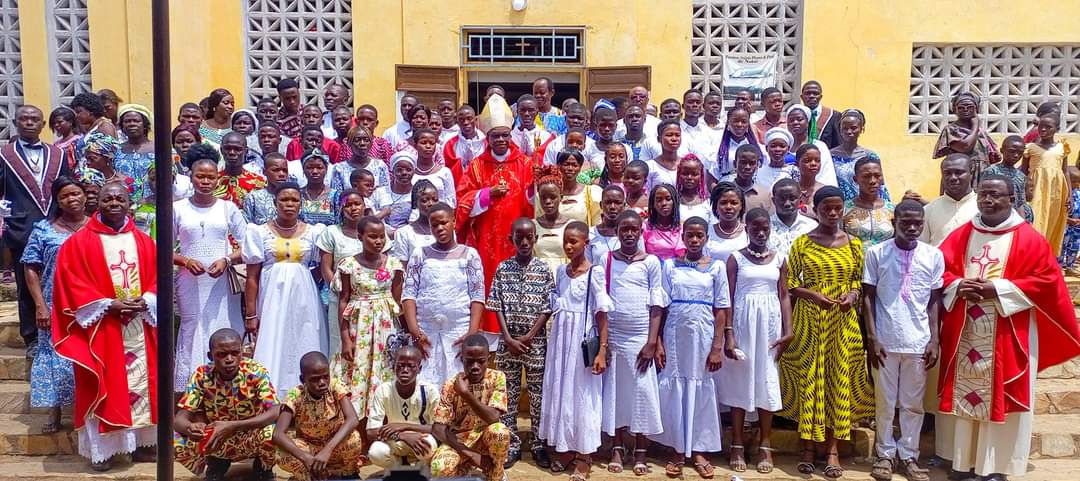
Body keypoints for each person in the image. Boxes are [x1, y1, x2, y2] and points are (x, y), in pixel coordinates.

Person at [936, 175, 1080, 480]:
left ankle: (996, 467)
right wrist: (960, 285)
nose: (988, 200)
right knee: (966, 393)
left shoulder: (1029, 238)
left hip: (1007, 329)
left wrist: (998, 290)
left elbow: (1047, 282)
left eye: (996, 195)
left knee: (1003, 394)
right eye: (984, 194)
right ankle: (963, 463)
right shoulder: (962, 234)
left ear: (1011, 199)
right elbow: (941, 271)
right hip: (967, 328)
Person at [51, 181, 158, 471]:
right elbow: (69, 282)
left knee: (144, 384)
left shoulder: (144, 241)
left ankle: (143, 446)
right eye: (107, 198)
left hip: (138, 323)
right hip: (102, 328)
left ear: (128, 203)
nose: (114, 203)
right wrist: (108, 304)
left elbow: (158, 278)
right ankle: (106, 451)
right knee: (104, 383)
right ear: (96, 203)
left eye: (119, 199)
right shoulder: (79, 242)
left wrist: (147, 299)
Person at [780, 186, 874, 479]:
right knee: (812, 381)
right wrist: (813, 296)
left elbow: (860, 283)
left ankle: (832, 449)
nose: (833, 214)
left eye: (837, 209)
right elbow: (791, 283)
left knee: (838, 382)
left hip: (843, 325)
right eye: (826, 209)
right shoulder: (803, 244)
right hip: (811, 321)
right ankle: (808, 448)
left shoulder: (855, 245)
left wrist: (851, 297)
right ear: (815, 209)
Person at [863, 201, 943, 481]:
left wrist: (934, 339)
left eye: (917, 223)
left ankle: (909, 455)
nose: (912, 228)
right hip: (885, 340)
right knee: (885, 403)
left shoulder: (933, 256)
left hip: (918, 341)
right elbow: (868, 297)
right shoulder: (876, 254)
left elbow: (934, 300)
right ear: (894, 221)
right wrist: (872, 337)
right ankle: (884, 456)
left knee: (912, 404)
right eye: (905, 222)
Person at [652, 216, 729, 478]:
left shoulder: (716, 268)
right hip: (675, 334)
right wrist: (658, 341)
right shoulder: (670, 266)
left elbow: (721, 310)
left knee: (700, 387)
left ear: (706, 238)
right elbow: (660, 306)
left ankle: (698, 450)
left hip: (703, 335)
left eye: (700, 236)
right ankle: (676, 448)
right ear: (683, 237)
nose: (695, 240)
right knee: (676, 387)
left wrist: (717, 346)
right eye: (690, 235)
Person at [718, 208, 792, 474]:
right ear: (746, 228)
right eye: (755, 228)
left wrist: (788, 330)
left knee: (766, 381)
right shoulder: (736, 259)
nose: (761, 233)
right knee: (741, 380)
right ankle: (737, 443)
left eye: (765, 229)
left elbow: (784, 295)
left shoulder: (780, 259)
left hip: (770, 326)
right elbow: (727, 297)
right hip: (742, 323)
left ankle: (765, 444)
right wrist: (729, 332)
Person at [456, 94, 535, 343]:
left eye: (504, 135)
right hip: (487, 244)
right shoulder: (478, 166)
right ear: (487, 138)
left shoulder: (525, 163)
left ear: (511, 135)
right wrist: (486, 194)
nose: (500, 140)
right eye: (495, 136)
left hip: (518, 243)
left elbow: (535, 200)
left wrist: (536, 190)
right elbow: (463, 201)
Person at [539, 220, 611, 479]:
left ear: (585, 243)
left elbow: (602, 315)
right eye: (566, 241)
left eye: (574, 241)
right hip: (561, 340)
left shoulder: (595, 273)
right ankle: (566, 447)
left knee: (582, 395)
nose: (568, 246)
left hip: (582, 342)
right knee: (562, 391)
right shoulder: (560, 272)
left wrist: (602, 350)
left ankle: (584, 456)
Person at [243, 183, 328, 397]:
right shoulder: (259, 232)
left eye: (294, 200)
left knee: (304, 337)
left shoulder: (314, 232)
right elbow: (252, 277)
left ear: (301, 204)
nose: (289, 204)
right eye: (284, 200)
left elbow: (320, 267)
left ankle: (304, 397)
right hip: (272, 297)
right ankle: (271, 399)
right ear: (275, 203)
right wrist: (251, 314)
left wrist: (302, 280)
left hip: (304, 299)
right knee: (273, 340)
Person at [485, 218, 556, 468]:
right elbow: (496, 305)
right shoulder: (503, 268)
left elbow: (548, 307)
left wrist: (528, 336)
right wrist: (507, 337)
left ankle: (538, 444)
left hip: (534, 344)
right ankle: (512, 444)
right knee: (509, 395)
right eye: (519, 238)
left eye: (529, 237)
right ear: (511, 240)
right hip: (508, 344)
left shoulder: (544, 269)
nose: (524, 242)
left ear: (535, 238)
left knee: (538, 396)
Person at [1, 105, 72, 352]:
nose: (29, 123)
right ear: (16, 122)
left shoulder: (58, 154)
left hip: (56, 226)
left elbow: (66, 185)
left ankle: (64, 330)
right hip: (21, 227)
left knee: (60, 280)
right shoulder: (5, 154)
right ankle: (31, 337)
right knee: (26, 283)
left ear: (43, 124)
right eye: (24, 119)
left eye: (35, 119)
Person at [172, 156, 246, 392]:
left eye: (210, 177)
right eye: (200, 176)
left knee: (223, 325)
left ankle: (228, 388)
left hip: (221, 283)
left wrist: (226, 260)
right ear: (191, 178)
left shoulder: (227, 208)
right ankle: (191, 390)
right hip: (189, 281)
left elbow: (247, 246)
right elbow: (158, 245)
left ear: (218, 179)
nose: (205, 181)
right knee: (192, 328)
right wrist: (183, 260)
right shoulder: (177, 208)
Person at [331, 216, 403, 443]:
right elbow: (343, 300)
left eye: (381, 236)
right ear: (360, 237)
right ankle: (359, 437)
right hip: (358, 328)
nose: (378, 241)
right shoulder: (348, 265)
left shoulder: (394, 265)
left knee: (384, 376)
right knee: (358, 378)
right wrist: (345, 338)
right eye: (372, 236)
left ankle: (384, 435)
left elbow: (398, 301)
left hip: (385, 330)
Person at [602, 211, 664, 476]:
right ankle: (617, 446)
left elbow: (657, 303)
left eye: (633, 229)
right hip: (615, 333)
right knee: (616, 391)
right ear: (617, 232)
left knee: (642, 392)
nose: (628, 234)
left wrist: (652, 341)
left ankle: (640, 449)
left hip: (640, 336)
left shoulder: (650, 262)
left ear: (641, 231)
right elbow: (602, 302)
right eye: (623, 229)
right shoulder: (607, 260)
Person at [173, 329, 278, 481]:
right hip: (217, 438)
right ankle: (216, 462)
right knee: (177, 439)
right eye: (222, 354)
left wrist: (233, 426)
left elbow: (275, 411)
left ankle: (263, 467)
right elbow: (179, 420)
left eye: (235, 353)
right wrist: (192, 428)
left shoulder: (256, 372)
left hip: (250, 435)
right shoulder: (202, 375)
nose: (229, 359)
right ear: (211, 356)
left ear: (242, 353)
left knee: (273, 432)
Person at [22, 177, 83, 434]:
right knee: (53, 353)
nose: (72, 199)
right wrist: (39, 305)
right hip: (53, 302)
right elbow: (31, 268)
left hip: (89, 304)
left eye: (76, 193)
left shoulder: (97, 227)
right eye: (65, 196)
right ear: (57, 201)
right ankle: (54, 409)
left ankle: (86, 409)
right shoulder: (43, 229)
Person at [403, 203, 486, 387]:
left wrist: (471, 332)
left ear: (454, 221)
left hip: (459, 332)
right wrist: (415, 332)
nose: (439, 228)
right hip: (425, 333)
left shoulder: (469, 255)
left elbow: (477, 295)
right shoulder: (420, 254)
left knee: (457, 384)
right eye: (434, 225)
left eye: (444, 223)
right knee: (425, 385)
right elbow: (409, 294)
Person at [428, 334, 511, 481]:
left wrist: (466, 394)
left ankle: (496, 474)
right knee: (438, 469)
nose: (475, 367)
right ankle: (465, 468)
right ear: (462, 359)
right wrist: (471, 455)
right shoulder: (451, 385)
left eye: (481, 362)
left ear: (489, 359)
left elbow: (493, 417)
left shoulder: (497, 378)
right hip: (459, 441)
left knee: (500, 432)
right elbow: (438, 429)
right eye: (470, 362)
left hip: (486, 438)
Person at [274, 352, 365, 481]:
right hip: (309, 449)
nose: (322, 382)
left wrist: (327, 449)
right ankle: (313, 476)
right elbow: (278, 434)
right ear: (302, 379)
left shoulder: (335, 387)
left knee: (354, 439)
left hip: (334, 445)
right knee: (281, 454)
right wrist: (304, 457)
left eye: (325, 377)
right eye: (315, 379)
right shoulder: (295, 396)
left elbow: (352, 419)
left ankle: (345, 474)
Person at [367, 345, 440, 469]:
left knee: (428, 445)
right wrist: (403, 435)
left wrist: (405, 426)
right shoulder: (383, 390)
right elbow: (371, 432)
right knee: (376, 452)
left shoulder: (429, 391)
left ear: (419, 369)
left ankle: (420, 466)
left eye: (411, 366)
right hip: (395, 440)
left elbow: (438, 430)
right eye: (400, 365)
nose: (405, 370)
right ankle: (398, 466)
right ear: (393, 366)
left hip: (420, 439)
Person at [1025, 112, 1070, 256]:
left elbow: (1066, 171)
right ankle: (1032, 254)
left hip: (1057, 191)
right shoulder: (1030, 147)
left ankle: (1046, 257)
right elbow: (1024, 171)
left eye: (1048, 127)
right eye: (1040, 126)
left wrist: (1069, 194)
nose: (1043, 129)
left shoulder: (1062, 147)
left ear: (1056, 129)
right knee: (1036, 220)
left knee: (1053, 221)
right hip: (1036, 189)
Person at [932, 92, 1000, 183]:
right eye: (961, 107)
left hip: (982, 176)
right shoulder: (951, 129)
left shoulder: (981, 132)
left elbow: (988, 156)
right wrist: (975, 125)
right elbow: (966, 146)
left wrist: (993, 157)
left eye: (970, 107)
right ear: (954, 110)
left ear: (976, 108)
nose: (965, 110)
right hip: (960, 176)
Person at [919, 153, 978, 246]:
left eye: (959, 172)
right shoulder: (928, 210)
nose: (953, 177)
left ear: (971, 173)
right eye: (947, 173)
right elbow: (923, 248)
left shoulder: (982, 208)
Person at [832, 109, 890, 202]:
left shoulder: (870, 156)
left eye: (853, 128)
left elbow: (880, 185)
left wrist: (885, 206)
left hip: (866, 205)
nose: (849, 131)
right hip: (838, 206)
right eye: (845, 128)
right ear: (840, 129)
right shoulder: (830, 156)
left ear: (862, 129)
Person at [843, 158, 895, 251]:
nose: (872, 181)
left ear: (882, 178)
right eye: (866, 176)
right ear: (856, 179)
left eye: (877, 176)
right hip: (855, 263)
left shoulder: (892, 209)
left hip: (884, 263)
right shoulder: (844, 209)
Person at [785, 104, 839, 187]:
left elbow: (826, 173)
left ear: (807, 122)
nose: (795, 122)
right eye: (791, 120)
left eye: (799, 119)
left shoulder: (819, 146)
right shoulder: (783, 147)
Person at [982, 135, 1033, 223]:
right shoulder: (991, 172)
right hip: (996, 215)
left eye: (1020, 152)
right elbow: (983, 196)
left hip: (1016, 217)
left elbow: (1020, 202)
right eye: (1012, 151)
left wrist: (1021, 223)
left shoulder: (1021, 176)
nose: (1016, 155)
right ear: (1002, 150)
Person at [391, 180, 439, 266]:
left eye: (435, 200)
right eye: (425, 200)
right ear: (415, 203)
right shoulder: (404, 233)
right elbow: (401, 268)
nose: (431, 204)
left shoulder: (446, 230)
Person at [533, 168, 570, 271]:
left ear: (561, 197)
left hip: (564, 277)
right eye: (543, 197)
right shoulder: (532, 226)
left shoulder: (571, 226)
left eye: (552, 197)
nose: (548, 201)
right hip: (537, 279)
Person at [552, 148, 602, 225]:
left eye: (574, 165)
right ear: (558, 166)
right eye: (566, 164)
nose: (570, 169)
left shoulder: (591, 193)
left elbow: (596, 224)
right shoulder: (550, 193)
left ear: (580, 168)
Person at [768, 178, 818, 256]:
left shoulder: (812, 227)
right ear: (773, 200)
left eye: (792, 198)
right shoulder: (765, 227)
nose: (787, 203)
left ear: (800, 199)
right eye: (782, 199)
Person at [215, 133, 267, 208]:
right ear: (221, 150)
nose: (232, 152)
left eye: (237, 149)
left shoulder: (259, 183)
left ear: (245, 152)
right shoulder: (211, 181)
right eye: (227, 148)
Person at [712, 106, 762, 183]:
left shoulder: (758, 148)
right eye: (735, 121)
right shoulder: (717, 149)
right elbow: (711, 180)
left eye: (744, 121)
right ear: (728, 122)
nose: (739, 124)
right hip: (726, 189)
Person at [331, 126, 388, 191]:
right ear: (349, 143)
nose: (362, 143)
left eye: (366, 140)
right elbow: (337, 196)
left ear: (371, 143)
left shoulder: (380, 166)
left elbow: (385, 194)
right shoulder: (339, 169)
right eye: (357, 140)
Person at [411, 128, 457, 207]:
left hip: (439, 217)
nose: (428, 146)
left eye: (432, 143)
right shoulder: (409, 172)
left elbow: (451, 202)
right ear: (415, 145)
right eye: (423, 143)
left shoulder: (444, 172)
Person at [113, 104, 155, 190]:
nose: (132, 124)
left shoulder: (159, 148)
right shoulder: (116, 150)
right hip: (123, 200)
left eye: (136, 121)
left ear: (145, 125)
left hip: (152, 200)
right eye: (127, 121)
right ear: (122, 126)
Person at [443, 104, 486, 184]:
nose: (466, 122)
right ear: (457, 121)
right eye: (461, 119)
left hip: (482, 185)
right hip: (460, 186)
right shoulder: (450, 144)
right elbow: (449, 170)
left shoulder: (486, 142)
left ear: (475, 119)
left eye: (469, 118)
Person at [707, 181, 749, 261]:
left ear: (741, 206)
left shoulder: (748, 232)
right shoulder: (708, 232)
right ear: (716, 206)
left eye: (734, 203)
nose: (728, 207)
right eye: (723, 203)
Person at [726, 144, 773, 213]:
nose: (747, 167)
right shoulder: (725, 192)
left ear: (757, 165)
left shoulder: (765, 195)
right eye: (743, 162)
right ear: (735, 164)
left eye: (752, 163)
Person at [242, 152, 288, 224]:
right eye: (276, 170)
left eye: (285, 170)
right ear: (264, 172)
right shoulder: (253, 198)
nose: (281, 174)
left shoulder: (294, 197)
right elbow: (247, 226)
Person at [298, 149, 340, 225]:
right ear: (303, 170)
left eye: (319, 168)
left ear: (326, 169)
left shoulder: (335, 196)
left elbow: (339, 223)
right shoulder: (298, 195)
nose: (315, 171)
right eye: (309, 167)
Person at [643, 183, 684, 260]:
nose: (664, 203)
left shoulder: (682, 228)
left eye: (668, 199)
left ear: (674, 202)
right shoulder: (646, 226)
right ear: (653, 204)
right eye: (659, 200)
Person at [512, 94, 557, 161]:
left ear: (537, 112)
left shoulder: (547, 138)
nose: (527, 114)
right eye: (523, 110)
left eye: (531, 110)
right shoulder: (509, 137)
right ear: (517, 111)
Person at [800, 81, 841, 148]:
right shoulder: (795, 116)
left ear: (821, 96)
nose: (811, 96)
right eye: (807, 93)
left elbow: (838, 143)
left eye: (815, 93)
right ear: (801, 97)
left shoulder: (833, 115)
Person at [644, 120, 683, 191]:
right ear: (659, 139)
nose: (674, 139)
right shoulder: (650, 167)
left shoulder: (686, 164)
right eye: (669, 135)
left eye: (677, 135)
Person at [795, 143, 826, 219]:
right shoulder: (790, 189)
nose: (813, 164)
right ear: (797, 164)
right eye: (807, 161)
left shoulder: (824, 191)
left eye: (817, 160)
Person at [676, 155, 711, 221]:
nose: (689, 177)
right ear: (679, 175)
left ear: (701, 176)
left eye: (694, 174)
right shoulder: (673, 201)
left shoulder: (708, 203)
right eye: (685, 173)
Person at [1062, 167, 1080, 272]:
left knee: (1074, 246)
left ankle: (1070, 265)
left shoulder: (1079, 194)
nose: (1077, 184)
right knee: (1062, 245)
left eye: (1079, 181)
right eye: (1074, 181)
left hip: (1077, 228)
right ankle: (1060, 264)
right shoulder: (1064, 194)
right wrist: (1068, 220)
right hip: (1066, 226)